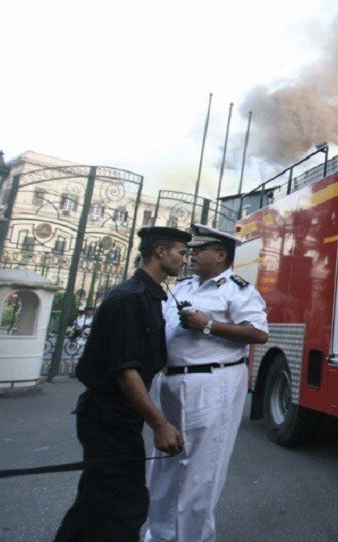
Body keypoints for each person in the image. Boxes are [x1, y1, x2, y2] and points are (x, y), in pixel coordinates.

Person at [54, 226, 192, 542]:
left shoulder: (147, 296)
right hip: (109, 418)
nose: (185, 260)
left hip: (115, 418)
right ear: (161, 252)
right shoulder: (131, 299)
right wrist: (160, 425)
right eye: (181, 253)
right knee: (123, 507)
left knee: (95, 504)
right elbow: (126, 372)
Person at [145, 223, 268, 542]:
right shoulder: (184, 287)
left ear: (221, 254)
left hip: (212, 383)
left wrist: (209, 325)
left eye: (200, 250)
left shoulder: (238, 290)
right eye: (192, 249)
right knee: (164, 464)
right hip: (171, 381)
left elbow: (258, 333)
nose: (192, 255)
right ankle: (159, 535)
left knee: (201, 472)